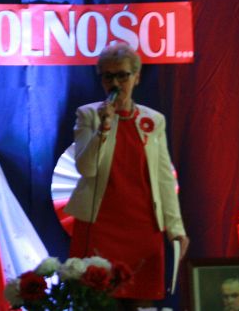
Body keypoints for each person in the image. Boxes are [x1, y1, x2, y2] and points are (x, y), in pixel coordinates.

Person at [64, 42, 189, 311]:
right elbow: (86, 168)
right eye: (108, 76)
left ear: (136, 77)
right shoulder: (88, 115)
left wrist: (176, 229)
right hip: (100, 227)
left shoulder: (154, 120)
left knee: (141, 303)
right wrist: (104, 128)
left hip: (144, 228)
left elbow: (164, 178)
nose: (115, 83)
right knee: (99, 302)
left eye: (122, 75)